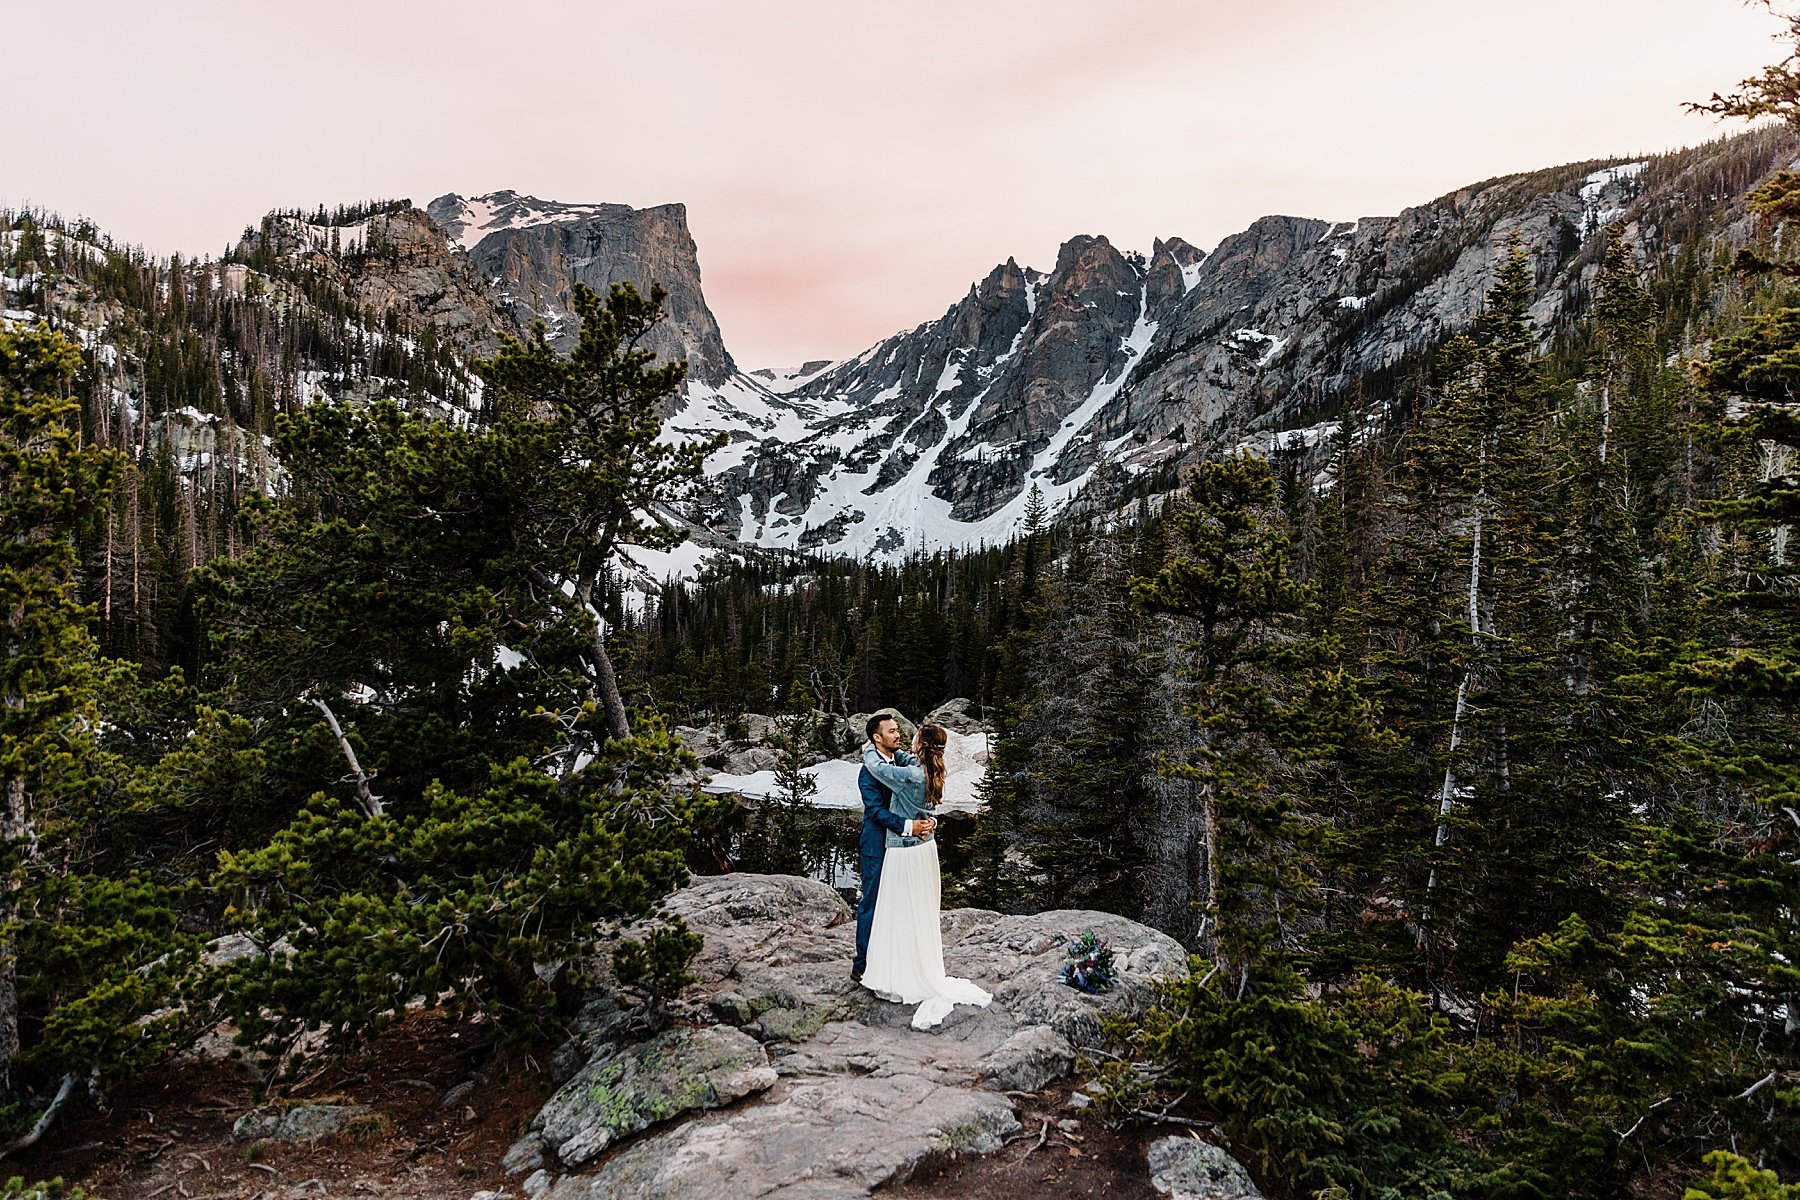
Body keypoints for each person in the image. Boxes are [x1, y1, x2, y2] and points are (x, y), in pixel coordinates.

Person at [859, 721, 992, 1029]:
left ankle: (896, 976)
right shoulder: (931, 769)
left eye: (913, 737)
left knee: (897, 912)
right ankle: (915, 970)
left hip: (905, 850)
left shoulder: (909, 775)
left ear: (921, 745)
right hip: (925, 850)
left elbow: (880, 770)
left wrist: (869, 750)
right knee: (918, 913)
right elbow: (905, 760)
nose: (904, 737)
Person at [852, 713, 932, 983]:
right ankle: (862, 965)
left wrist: (929, 820)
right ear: (877, 737)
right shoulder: (868, 772)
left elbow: (921, 797)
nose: (898, 735)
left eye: (898, 730)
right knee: (871, 903)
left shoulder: (900, 762)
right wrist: (910, 826)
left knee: (897, 903)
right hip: (877, 844)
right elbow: (875, 811)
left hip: (901, 848)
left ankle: (892, 962)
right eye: (892, 731)